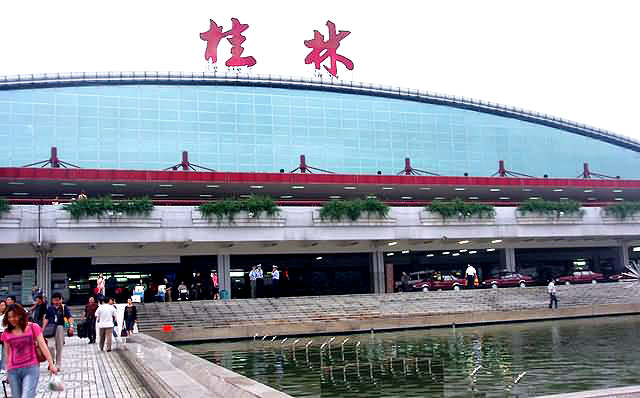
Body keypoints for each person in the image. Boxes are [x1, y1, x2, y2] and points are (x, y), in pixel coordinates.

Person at [1, 304, 58, 398]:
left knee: (27, 395)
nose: (12, 319)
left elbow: (43, 346)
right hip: (13, 371)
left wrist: (51, 364)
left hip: (31, 368)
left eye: (14, 316)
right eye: (9, 317)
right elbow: (7, 354)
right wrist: (7, 372)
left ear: (21, 315)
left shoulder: (33, 327)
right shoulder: (6, 333)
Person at [42, 292, 73, 369]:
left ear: (61, 300)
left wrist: (71, 326)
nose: (56, 302)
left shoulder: (64, 307)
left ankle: (58, 364)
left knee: (59, 347)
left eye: (58, 300)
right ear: (52, 300)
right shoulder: (49, 308)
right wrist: (43, 329)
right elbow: (46, 318)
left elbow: (69, 317)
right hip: (50, 328)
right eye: (55, 300)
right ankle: (51, 361)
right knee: (50, 346)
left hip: (60, 327)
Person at [0, 299, 6, 374]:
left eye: (4, 305)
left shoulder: (6, 315)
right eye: (1, 305)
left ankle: (3, 367)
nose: (2, 307)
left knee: (4, 352)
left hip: (4, 333)